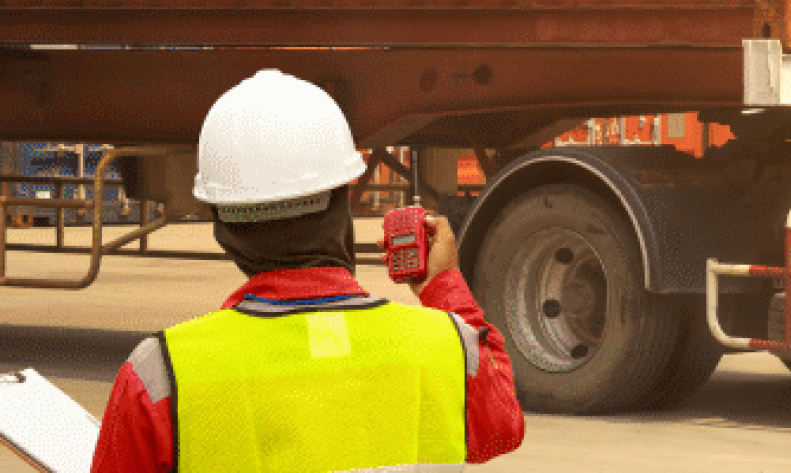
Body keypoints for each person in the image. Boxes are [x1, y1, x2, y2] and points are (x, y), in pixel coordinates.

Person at [90, 69, 525, 471]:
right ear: (343, 199)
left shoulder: (161, 375)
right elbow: (501, 426)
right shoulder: (445, 348)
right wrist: (442, 286)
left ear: (222, 226)